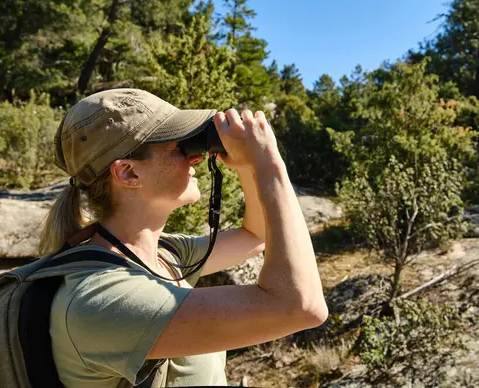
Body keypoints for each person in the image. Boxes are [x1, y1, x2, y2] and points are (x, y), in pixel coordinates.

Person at [38, 88, 328, 387]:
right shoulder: (101, 299)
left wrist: (247, 167)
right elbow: (301, 307)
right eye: (179, 146)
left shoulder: (162, 255)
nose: (197, 159)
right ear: (128, 173)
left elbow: (256, 235)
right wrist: (270, 166)